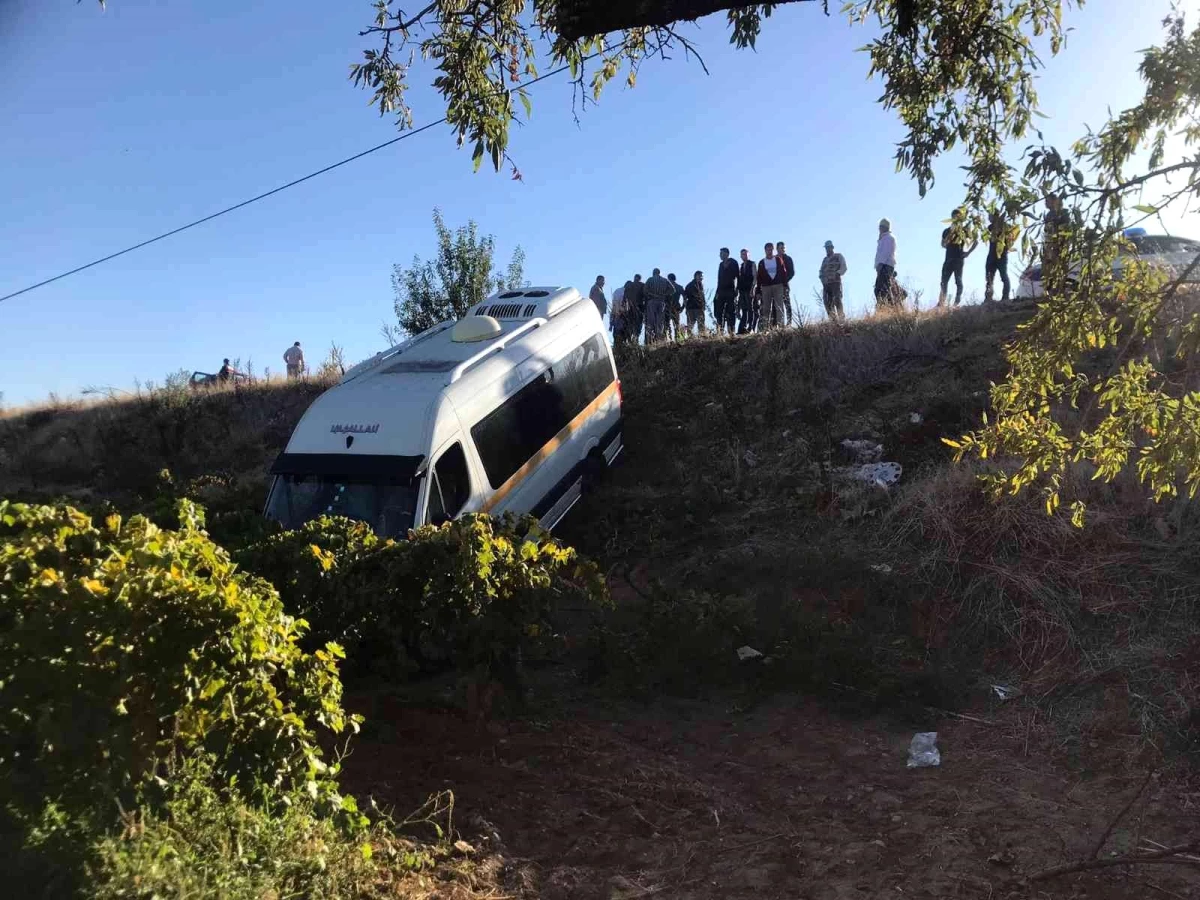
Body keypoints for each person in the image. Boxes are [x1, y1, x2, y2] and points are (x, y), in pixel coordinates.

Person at [938, 209, 977, 307]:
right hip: (948, 258)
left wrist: (968, 252)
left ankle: (956, 302)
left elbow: (975, 241)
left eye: (958, 217)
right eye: (954, 217)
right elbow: (942, 244)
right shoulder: (947, 231)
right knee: (944, 281)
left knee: (958, 280)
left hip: (959, 259)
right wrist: (949, 238)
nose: (956, 219)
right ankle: (941, 303)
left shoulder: (964, 230)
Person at [984, 211, 1018, 303]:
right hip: (991, 255)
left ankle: (1005, 297)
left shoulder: (1005, 226)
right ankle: (988, 298)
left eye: (990, 216)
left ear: (995, 216)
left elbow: (1012, 233)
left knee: (1003, 276)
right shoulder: (991, 227)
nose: (989, 218)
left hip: (1001, 255)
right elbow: (992, 229)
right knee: (989, 278)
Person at [757, 242, 789, 328]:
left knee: (779, 306)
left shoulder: (778, 260)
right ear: (765, 251)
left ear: (773, 250)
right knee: (766, 308)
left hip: (778, 285)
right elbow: (759, 278)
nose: (770, 251)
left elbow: (784, 273)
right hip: (766, 287)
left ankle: (781, 327)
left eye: (771, 249)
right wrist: (758, 291)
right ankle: (765, 328)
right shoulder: (761, 262)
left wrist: (785, 286)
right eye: (768, 250)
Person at [818, 241, 848, 322]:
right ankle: (833, 321)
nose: (827, 249)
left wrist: (838, 274)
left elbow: (844, 267)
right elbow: (821, 271)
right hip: (826, 284)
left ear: (832, 247)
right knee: (827, 302)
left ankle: (842, 319)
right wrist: (822, 279)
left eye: (829, 247)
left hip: (835, 283)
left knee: (837, 300)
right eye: (826, 248)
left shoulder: (838, 256)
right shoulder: (824, 260)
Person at [874, 218, 899, 309]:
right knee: (881, 288)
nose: (879, 229)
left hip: (885, 266)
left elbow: (885, 253)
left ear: (884, 227)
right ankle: (886, 307)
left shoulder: (889, 238)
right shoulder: (883, 238)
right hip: (883, 266)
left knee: (881, 289)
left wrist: (880, 265)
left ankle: (888, 308)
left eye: (880, 226)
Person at [643, 268, 673, 343]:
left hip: (652, 301)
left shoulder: (650, 279)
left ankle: (650, 341)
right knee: (660, 322)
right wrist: (664, 294)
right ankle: (659, 340)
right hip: (661, 301)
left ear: (653, 273)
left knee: (651, 321)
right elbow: (673, 290)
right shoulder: (665, 280)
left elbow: (645, 290)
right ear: (659, 273)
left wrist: (650, 294)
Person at [714, 248, 739, 335]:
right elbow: (719, 279)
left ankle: (731, 331)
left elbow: (737, 276)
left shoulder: (733, 262)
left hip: (730, 290)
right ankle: (720, 330)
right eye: (720, 253)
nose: (720, 255)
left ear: (727, 254)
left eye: (722, 253)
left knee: (731, 311)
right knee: (719, 311)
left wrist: (737, 289)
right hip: (721, 291)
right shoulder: (720, 264)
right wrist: (717, 292)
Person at [776, 240, 796, 326]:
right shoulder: (774, 259)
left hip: (785, 285)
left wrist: (785, 280)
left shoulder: (788, 259)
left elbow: (792, 272)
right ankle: (779, 323)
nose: (783, 249)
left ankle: (789, 323)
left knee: (787, 303)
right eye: (781, 248)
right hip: (775, 286)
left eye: (784, 248)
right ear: (777, 249)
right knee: (776, 305)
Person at [737, 248, 757, 334]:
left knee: (750, 308)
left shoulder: (752, 264)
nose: (744, 256)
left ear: (748, 255)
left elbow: (755, 277)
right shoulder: (741, 266)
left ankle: (751, 327)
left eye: (745, 254)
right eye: (742, 254)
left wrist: (753, 288)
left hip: (749, 289)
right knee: (744, 309)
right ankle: (743, 328)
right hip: (742, 290)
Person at [624, 274, 645, 343]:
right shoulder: (642, 285)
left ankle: (630, 340)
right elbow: (645, 296)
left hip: (630, 308)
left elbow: (625, 297)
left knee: (630, 324)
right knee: (638, 324)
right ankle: (636, 339)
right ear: (640, 279)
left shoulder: (629, 285)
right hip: (639, 307)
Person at [683, 270, 706, 335]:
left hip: (691, 307)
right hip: (696, 307)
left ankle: (691, 339)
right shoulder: (696, 285)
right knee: (700, 325)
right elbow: (701, 296)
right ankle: (700, 339)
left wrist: (685, 308)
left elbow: (685, 297)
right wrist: (703, 304)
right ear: (696, 276)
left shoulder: (690, 285)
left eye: (702, 276)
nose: (701, 278)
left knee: (691, 325)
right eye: (700, 276)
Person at [666, 273, 685, 340]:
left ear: (669, 279)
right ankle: (677, 339)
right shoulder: (679, 287)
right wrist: (683, 307)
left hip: (667, 308)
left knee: (667, 325)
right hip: (677, 307)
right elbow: (685, 298)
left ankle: (669, 339)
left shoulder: (667, 287)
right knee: (676, 325)